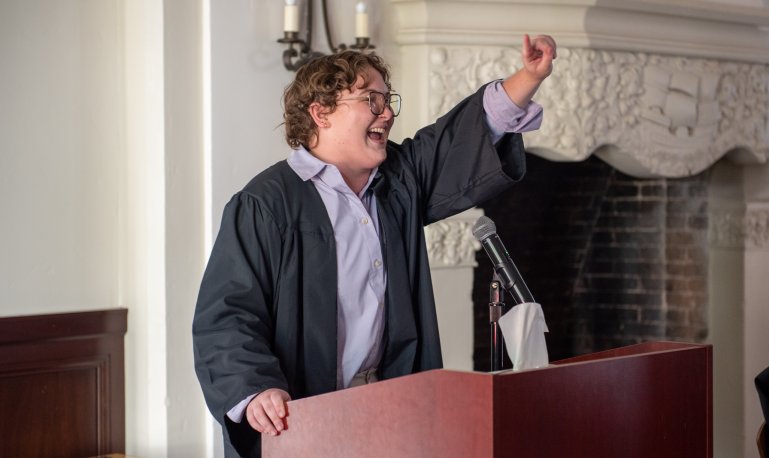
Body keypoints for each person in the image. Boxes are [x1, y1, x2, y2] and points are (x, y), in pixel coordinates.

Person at [193, 34, 557, 458]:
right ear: (321, 112)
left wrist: (529, 76)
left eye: (388, 100)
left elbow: (459, 136)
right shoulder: (267, 204)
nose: (387, 113)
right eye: (371, 100)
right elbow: (228, 314)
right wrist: (255, 389)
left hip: (389, 405)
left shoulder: (398, 183)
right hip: (305, 413)